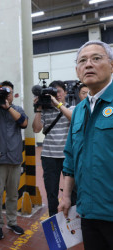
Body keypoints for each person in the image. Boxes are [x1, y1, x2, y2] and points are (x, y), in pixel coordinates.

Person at [58, 40, 113, 249]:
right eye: (82, 61)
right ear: (77, 70)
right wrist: (66, 196)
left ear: (112, 65)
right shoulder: (79, 110)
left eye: (96, 58)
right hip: (87, 211)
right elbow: (71, 157)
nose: (88, 64)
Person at [0, 80, 28, 240]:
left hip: (15, 159)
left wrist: (8, 107)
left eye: (8, 92)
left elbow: (23, 123)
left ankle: (11, 221)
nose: (6, 95)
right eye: (3, 93)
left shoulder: (17, 109)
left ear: (13, 95)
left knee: (12, 194)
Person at [32, 80, 75, 217]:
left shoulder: (72, 108)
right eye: (53, 93)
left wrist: (58, 105)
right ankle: (54, 220)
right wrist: (38, 109)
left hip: (68, 157)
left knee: (73, 191)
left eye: (59, 92)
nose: (56, 95)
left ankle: (73, 220)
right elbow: (36, 128)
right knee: (51, 192)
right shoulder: (45, 110)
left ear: (65, 92)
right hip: (49, 156)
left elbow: (73, 119)